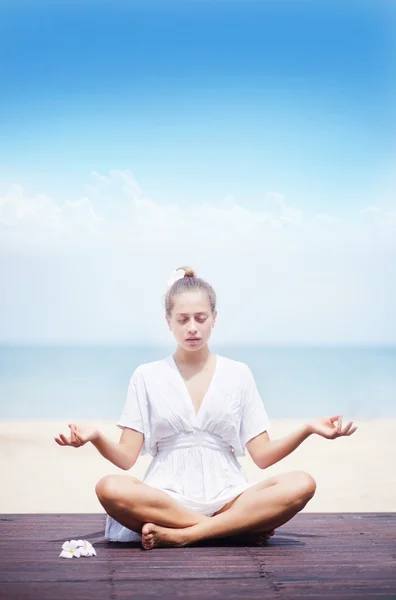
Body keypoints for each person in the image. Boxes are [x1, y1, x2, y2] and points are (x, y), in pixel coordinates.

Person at [55, 266, 358, 550]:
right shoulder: (146, 375)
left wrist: (307, 429)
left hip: (230, 497)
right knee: (109, 487)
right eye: (182, 319)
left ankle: (186, 535)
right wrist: (94, 436)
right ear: (168, 321)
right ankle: (230, 530)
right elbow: (125, 458)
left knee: (302, 483)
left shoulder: (238, 373)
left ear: (215, 317)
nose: (192, 328)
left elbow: (263, 457)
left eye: (200, 318)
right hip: (165, 498)